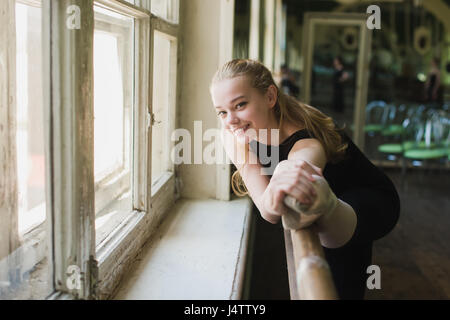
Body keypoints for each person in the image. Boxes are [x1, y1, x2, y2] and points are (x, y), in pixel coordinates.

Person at [210, 59, 400, 300]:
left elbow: (302, 166)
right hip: (332, 203)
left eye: (240, 105)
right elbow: (268, 211)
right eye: (222, 112)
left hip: (369, 199)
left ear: (270, 97)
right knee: (317, 227)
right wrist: (277, 185)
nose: (231, 119)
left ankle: (327, 204)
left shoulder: (304, 138)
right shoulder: (232, 134)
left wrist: (284, 174)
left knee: (336, 260)